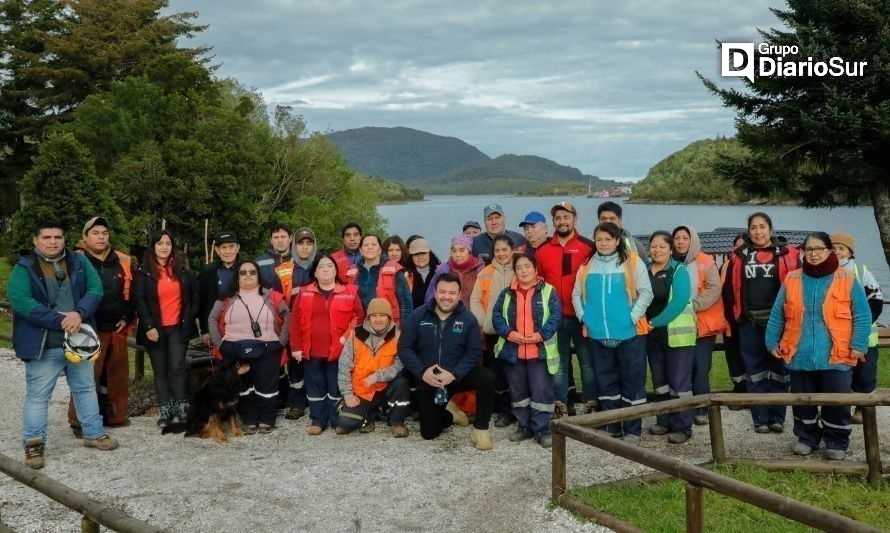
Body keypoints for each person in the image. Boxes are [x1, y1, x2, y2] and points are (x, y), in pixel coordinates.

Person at [9, 221, 118, 469]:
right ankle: (34, 444)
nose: (52, 242)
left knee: (85, 388)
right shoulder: (24, 267)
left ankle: (93, 433)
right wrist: (60, 320)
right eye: (46, 237)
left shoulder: (79, 262)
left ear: (64, 240)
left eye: (57, 237)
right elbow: (22, 301)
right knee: (38, 396)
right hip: (44, 344)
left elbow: (95, 289)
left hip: (78, 342)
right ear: (35, 241)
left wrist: (79, 313)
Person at [765, 232, 870, 461]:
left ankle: (837, 441)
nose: (814, 254)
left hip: (836, 354)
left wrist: (859, 345)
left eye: (819, 249)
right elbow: (777, 313)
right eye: (809, 249)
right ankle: (806, 438)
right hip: (799, 353)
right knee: (802, 401)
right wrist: (771, 340)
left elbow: (861, 315)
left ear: (829, 251)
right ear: (804, 252)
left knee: (837, 402)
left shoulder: (847, 278)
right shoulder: (792, 278)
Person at [573, 222, 652, 444]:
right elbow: (576, 295)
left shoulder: (632, 262)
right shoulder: (587, 264)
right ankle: (612, 425)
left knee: (632, 381)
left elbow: (646, 292)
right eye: (599, 240)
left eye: (608, 239)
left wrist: (631, 317)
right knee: (606, 382)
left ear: (617, 240)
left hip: (629, 334)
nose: (604, 244)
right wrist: (585, 318)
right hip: (598, 335)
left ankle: (633, 429)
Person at [399, 273, 495, 450]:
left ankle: (480, 429)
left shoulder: (468, 319)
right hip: (430, 378)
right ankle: (451, 414)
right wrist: (422, 372)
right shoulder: (418, 316)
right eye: (442, 291)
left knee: (487, 377)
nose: (447, 297)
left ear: (459, 295)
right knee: (429, 433)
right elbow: (404, 348)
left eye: (452, 293)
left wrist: (454, 374)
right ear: (435, 292)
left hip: (457, 376)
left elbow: (474, 352)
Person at [724, 212, 800, 433]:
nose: (758, 232)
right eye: (754, 228)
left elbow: (798, 285)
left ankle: (777, 417)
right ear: (749, 231)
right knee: (754, 372)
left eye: (762, 227)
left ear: (771, 230)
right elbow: (731, 289)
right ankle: (760, 418)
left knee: (779, 371)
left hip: (780, 324)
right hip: (750, 323)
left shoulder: (788, 254)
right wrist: (737, 317)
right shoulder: (739, 256)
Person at [68, 217, 135, 435]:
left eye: (104, 233)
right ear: (85, 236)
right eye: (95, 233)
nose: (100, 237)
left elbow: (132, 291)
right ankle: (79, 421)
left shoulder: (122, 259)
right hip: (87, 328)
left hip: (116, 327)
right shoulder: (74, 259)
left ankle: (115, 416)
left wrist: (127, 316)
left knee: (118, 376)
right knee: (87, 377)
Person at [208, 259, 291, 434]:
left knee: (266, 386)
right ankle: (249, 419)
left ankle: (267, 419)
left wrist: (282, 340)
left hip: (268, 347)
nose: (248, 275)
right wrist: (220, 343)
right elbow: (212, 319)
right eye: (243, 272)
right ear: (237, 277)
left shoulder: (273, 296)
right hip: (232, 348)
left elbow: (287, 316)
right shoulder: (226, 298)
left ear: (259, 276)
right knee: (243, 387)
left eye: (252, 272)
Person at [289, 254, 364, 434]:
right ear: (315, 272)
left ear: (336, 271)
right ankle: (317, 420)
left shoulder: (350, 291)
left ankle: (335, 419)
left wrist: (346, 337)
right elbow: (294, 322)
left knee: (335, 387)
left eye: (330, 266)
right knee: (315, 387)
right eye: (321, 266)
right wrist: (296, 347)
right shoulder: (303, 292)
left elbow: (359, 317)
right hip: (312, 350)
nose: (325, 269)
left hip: (339, 351)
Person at [492, 253, 561, 448]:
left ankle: (542, 429)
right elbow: (497, 317)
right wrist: (509, 334)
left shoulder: (548, 291)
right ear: (515, 272)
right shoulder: (506, 293)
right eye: (519, 267)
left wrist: (540, 335)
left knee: (541, 391)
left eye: (527, 266)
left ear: (535, 269)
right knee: (518, 392)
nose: (523, 270)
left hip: (539, 353)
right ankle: (523, 426)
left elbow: (555, 317)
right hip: (513, 353)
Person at [134, 229, 199, 428]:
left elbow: (194, 295)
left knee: (178, 368)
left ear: (173, 247)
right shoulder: (144, 272)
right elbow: (140, 300)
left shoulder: (182, 270)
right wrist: (148, 326)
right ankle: (165, 409)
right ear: (153, 247)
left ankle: (182, 406)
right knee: (160, 370)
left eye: (168, 243)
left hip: (178, 328)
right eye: (160, 243)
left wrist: (189, 318)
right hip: (155, 329)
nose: (164, 247)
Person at [536, 201, 596, 418]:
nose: (562, 221)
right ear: (553, 222)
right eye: (558, 218)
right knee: (558, 363)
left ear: (575, 218)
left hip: (582, 316)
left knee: (587, 362)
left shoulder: (588, 247)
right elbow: (539, 281)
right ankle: (561, 404)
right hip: (555, 318)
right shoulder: (542, 250)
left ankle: (591, 403)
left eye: (566, 217)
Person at [258, 226, 317, 421]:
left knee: (318, 362)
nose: (305, 248)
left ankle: (319, 400)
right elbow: (277, 299)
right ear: (295, 245)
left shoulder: (322, 265)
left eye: (309, 243)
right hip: (294, 325)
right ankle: (297, 402)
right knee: (294, 364)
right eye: (301, 244)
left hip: (319, 324)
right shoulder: (285, 269)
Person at [672, 225, 727, 426]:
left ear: (692, 240)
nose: (680, 241)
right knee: (681, 367)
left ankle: (702, 408)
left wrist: (691, 306)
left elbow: (714, 289)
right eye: (677, 238)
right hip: (677, 326)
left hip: (702, 325)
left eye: (685, 238)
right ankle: (683, 407)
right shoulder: (669, 262)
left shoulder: (706, 261)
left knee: (701, 367)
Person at [644, 231, 696, 444]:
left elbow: (679, 302)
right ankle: (663, 420)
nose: (657, 250)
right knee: (660, 382)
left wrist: (653, 322)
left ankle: (683, 426)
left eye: (662, 246)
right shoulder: (646, 270)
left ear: (671, 250)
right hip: (652, 336)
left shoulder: (679, 270)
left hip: (676, 336)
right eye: (653, 246)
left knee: (679, 383)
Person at [336, 298, 410, 437]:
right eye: (373, 316)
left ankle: (397, 421)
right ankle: (371, 415)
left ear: (389, 317)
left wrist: (378, 376)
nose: (378, 319)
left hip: (385, 387)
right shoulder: (355, 334)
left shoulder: (398, 336)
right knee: (344, 423)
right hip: (363, 390)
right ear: (368, 317)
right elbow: (344, 365)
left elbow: (399, 365)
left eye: (382, 315)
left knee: (402, 383)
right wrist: (348, 394)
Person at [830, 231, 883, 424]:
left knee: (865, 374)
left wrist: (861, 326)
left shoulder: (861, 271)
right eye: (833, 248)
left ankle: (863, 408)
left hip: (866, 338)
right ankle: (842, 408)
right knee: (841, 375)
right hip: (838, 336)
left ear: (850, 252)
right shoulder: (824, 272)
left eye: (841, 248)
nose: (837, 252)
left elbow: (876, 300)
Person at [470, 234, 517, 426]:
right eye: (497, 250)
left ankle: (519, 408)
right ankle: (504, 410)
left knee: (516, 371)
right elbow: (475, 300)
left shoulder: (520, 268)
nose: (501, 253)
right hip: (493, 332)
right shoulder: (485, 272)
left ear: (512, 250)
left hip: (517, 332)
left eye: (505, 249)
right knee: (498, 372)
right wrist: (484, 322)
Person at [345, 234, 413, 325]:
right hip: (359, 327)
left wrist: (403, 331)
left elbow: (406, 303)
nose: (370, 247)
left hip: (389, 328)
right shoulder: (351, 273)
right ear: (361, 250)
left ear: (380, 250)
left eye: (373, 244)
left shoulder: (394, 270)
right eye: (366, 245)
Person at [198, 231, 241, 346]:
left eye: (231, 247)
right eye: (223, 247)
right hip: (216, 327)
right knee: (220, 360)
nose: (228, 251)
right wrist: (205, 330)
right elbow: (202, 302)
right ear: (217, 250)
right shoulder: (209, 270)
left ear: (237, 248)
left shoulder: (247, 268)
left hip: (242, 326)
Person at [720, 233, 749, 399]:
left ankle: (753, 394)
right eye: (737, 245)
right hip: (729, 321)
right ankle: (739, 391)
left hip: (748, 321)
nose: (740, 249)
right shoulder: (725, 266)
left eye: (744, 245)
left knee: (750, 357)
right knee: (733, 357)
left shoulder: (754, 267)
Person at [425, 234, 484, 305]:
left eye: (462, 250)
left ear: (469, 252)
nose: (458, 254)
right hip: (447, 314)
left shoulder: (480, 269)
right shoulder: (443, 270)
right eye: (454, 251)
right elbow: (430, 296)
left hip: (473, 314)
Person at [405, 237, 441, 309]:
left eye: (423, 253)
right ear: (411, 256)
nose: (420, 257)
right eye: (416, 254)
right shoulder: (406, 276)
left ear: (429, 254)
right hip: (415, 317)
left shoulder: (440, 272)